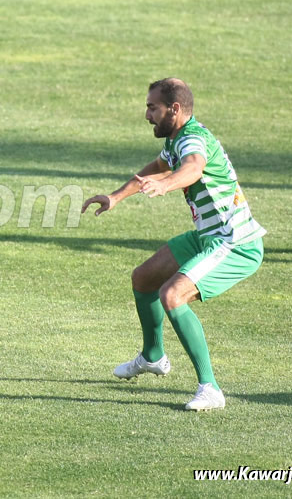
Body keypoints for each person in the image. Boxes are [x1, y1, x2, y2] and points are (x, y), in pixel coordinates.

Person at [81, 78, 266, 411]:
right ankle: (153, 357)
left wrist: (166, 186)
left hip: (235, 241)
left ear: (174, 109)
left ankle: (210, 389)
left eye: (153, 108)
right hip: (207, 236)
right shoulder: (177, 138)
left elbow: (193, 168)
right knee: (144, 278)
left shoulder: (193, 139)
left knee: (172, 294)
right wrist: (116, 197)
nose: (147, 115)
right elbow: (158, 167)